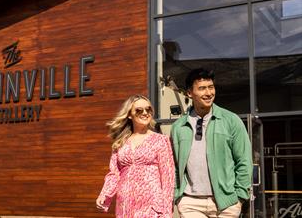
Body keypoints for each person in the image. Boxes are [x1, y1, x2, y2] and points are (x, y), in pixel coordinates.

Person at [171, 68, 253, 217]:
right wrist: (178, 196)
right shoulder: (179, 127)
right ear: (190, 93)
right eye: (202, 88)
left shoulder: (231, 120)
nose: (208, 93)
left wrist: (239, 197)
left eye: (211, 87)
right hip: (190, 203)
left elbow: (244, 161)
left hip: (226, 203)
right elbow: (175, 166)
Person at [96, 94, 175, 217]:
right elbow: (114, 173)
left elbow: (168, 178)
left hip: (152, 206)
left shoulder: (160, 140)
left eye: (148, 109)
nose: (145, 113)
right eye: (139, 110)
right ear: (129, 114)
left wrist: (167, 212)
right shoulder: (120, 142)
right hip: (125, 205)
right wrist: (105, 194)